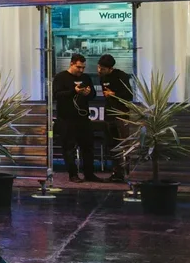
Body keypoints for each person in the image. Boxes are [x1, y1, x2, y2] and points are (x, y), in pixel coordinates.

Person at [52, 53, 99, 182]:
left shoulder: (86, 77)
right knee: (69, 148)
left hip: (83, 118)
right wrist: (74, 91)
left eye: (83, 67)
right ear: (71, 64)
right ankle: (73, 174)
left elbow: (93, 94)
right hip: (67, 119)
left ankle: (89, 174)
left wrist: (88, 93)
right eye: (78, 67)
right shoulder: (61, 77)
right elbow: (57, 95)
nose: (81, 70)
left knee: (88, 147)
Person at [98, 54, 134, 182]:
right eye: (99, 67)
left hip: (122, 113)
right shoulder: (102, 78)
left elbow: (129, 95)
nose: (99, 70)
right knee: (112, 144)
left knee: (124, 143)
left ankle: (127, 172)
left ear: (110, 68)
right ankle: (116, 172)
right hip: (109, 113)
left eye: (102, 68)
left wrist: (113, 94)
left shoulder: (121, 76)